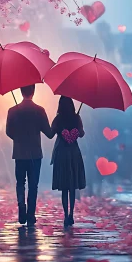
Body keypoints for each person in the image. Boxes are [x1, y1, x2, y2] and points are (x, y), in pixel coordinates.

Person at [5, 84, 54, 226]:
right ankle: (31, 215)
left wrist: (19, 137)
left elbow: (8, 131)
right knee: (33, 185)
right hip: (35, 154)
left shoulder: (12, 111)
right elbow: (49, 133)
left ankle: (21, 205)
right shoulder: (39, 110)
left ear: (21, 92)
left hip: (19, 153)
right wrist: (57, 125)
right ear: (33, 92)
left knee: (20, 183)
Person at [50, 96, 86, 226]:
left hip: (62, 154)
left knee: (65, 187)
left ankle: (65, 215)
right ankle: (71, 214)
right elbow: (82, 133)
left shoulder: (58, 119)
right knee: (72, 186)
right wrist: (76, 130)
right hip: (73, 153)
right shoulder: (76, 118)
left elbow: (50, 133)